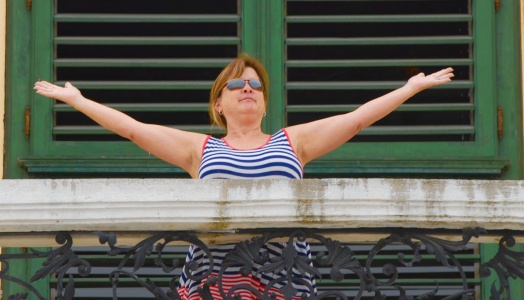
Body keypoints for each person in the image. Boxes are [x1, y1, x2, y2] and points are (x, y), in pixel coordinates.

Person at [34, 53, 454, 300]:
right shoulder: (201, 149)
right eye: (237, 85)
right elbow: (132, 129)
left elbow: (357, 120)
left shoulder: (293, 142)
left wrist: (409, 88)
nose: (248, 89)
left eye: (255, 85)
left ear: (266, 104)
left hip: (282, 280)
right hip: (212, 280)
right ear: (219, 103)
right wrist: (79, 100)